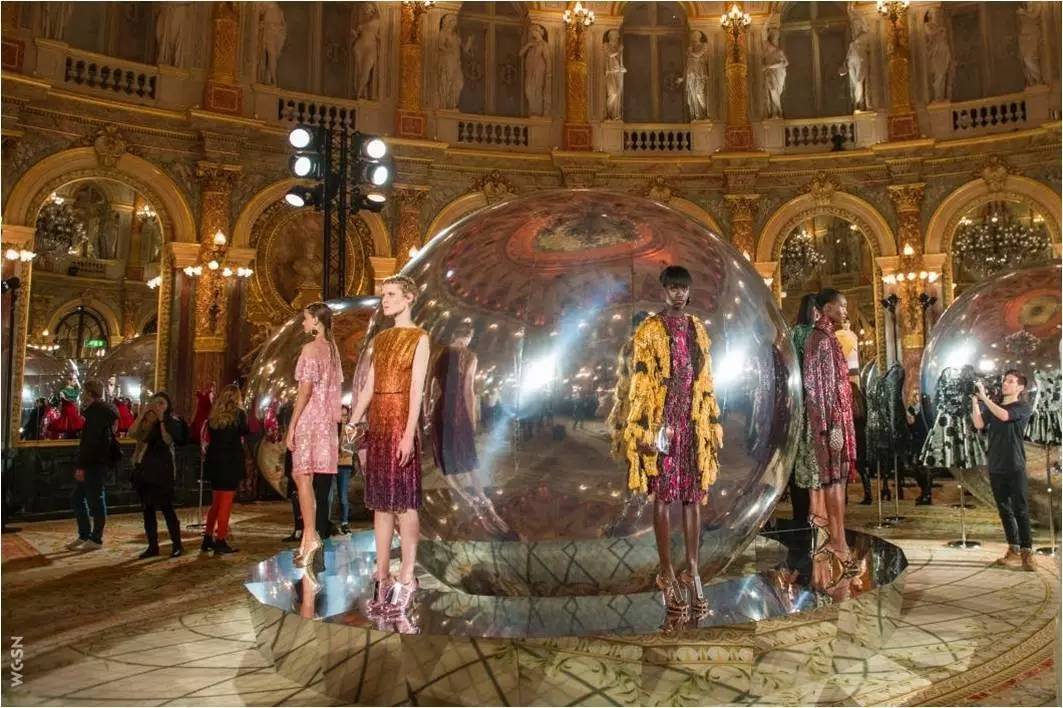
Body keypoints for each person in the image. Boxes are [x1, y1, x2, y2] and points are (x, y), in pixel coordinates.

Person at [622, 266, 723, 617]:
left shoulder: (697, 327)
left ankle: (692, 568)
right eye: (673, 288)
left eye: (683, 288)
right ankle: (666, 571)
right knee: (664, 495)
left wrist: (706, 420)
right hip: (663, 422)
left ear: (689, 291)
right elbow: (642, 381)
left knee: (693, 496)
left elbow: (705, 377)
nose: (678, 293)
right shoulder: (650, 329)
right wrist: (650, 429)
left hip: (692, 422)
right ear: (664, 291)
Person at [350, 275, 430, 617]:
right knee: (381, 504)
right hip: (379, 423)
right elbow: (369, 386)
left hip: (400, 422)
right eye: (383, 295)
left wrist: (409, 433)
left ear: (409, 298)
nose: (385, 300)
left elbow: (416, 390)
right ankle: (382, 576)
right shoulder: (381, 339)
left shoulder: (420, 337)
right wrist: (353, 421)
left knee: (405, 503)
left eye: (392, 294)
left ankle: (408, 576)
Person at [286, 302, 344, 578]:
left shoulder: (310, 349)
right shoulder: (333, 350)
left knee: (302, 477)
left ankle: (309, 538)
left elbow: (305, 391)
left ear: (316, 322)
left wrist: (292, 425)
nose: (303, 323)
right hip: (326, 423)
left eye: (306, 318)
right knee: (309, 479)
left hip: (309, 420)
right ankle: (311, 538)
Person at [803, 289, 857, 570]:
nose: (845, 311)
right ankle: (838, 541)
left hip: (839, 419)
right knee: (834, 481)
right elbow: (816, 387)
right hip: (831, 423)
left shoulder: (829, 337)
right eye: (841, 306)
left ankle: (839, 539)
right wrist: (830, 425)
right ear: (827, 308)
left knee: (840, 481)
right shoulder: (819, 339)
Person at [971, 370, 1036, 572]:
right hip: (995, 465)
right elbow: (979, 423)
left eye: (1010, 381)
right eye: (1004, 381)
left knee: (1020, 510)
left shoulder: (1022, 407)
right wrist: (975, 402)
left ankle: (1027, 552)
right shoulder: (995, 406)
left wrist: (985, 399)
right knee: (1004, 510)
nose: (1005, 384)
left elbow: (1005, 416)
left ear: (1020, 387)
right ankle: (1013, 548)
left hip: (1015, 465)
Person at [129, 392, 185, 559]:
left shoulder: (170, 422)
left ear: (168, 406)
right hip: (144, 469)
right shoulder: (146, 421)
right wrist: (141, 415)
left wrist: (161, 420)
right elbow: (132, 433)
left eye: (161, 403)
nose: (158, 406)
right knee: (147, 509)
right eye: (155, 402)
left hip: (162, 470)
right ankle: (152, 546)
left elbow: (167, 440)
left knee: (167, 508)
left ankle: (177, 545)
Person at [66, 379, 117, 551]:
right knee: (79, 498)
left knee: (95, 500)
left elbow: (91, 443)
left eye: (84, 392)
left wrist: (81, 466)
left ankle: (95, 538)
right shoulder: (102, 411)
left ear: (89, 393)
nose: (83, 395)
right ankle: (85, 535)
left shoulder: (97, 413)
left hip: (93, 463)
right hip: (95, 462)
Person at [202, 384, 249, 555]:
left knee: (216, 503)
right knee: (226, 504)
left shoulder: (214, 416)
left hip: (215, 461)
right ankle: (220, 539)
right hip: (230, 462)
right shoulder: (239, 415)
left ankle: (208, 537)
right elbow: (246, 431)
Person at [789, 293, 819, 525]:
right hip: (813, 408)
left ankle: (801, 516)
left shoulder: (794, 334)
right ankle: (814, 516)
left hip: (799, 407)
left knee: (800, 461)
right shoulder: (810, 334)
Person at [336, 405, 358, 535]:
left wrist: (341, 449)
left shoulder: (350, 430)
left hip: (345, 465)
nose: (343, 418)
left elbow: (349, 450)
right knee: (329, 496)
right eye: (341, 415)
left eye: (345, 415)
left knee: (343, 496)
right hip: (332, 465)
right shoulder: (333, 427)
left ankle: (344, 522)